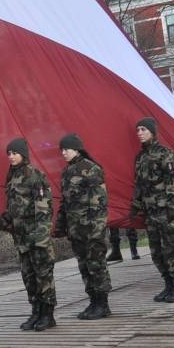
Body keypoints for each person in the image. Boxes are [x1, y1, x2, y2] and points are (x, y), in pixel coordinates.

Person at [0, 138, 57, 331]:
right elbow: (13, 210)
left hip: (37, 238)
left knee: (43, 276)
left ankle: (48, 315)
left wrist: (41, 239)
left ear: (23, 154)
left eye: (14, 153)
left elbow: (44, 209)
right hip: (22, 239)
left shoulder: (35, 176)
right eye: (9, 154)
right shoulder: (12, 177)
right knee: (28, 277)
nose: (11, 157)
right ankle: (36, 312)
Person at [53, 133, 112, 319]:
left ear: (76, 149)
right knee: (84, 266)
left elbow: (100, 201)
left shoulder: (91, 169)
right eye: (61, 150)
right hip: (76, 230)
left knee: (96, 266)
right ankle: (93, 301)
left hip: (92, 229)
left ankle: (103, 304)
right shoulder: (68, 171)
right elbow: (66, 202)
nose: (63, 153)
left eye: (66, 149)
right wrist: (61, 225)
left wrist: (96, 228)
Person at [128, 117, 174, 303]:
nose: (140, 133)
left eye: (143, 129)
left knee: (171, 250)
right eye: (138, 130)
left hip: (166, 211)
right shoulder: (140, 157)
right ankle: (168, 284)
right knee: (157, 252)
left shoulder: (165, 154)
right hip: (150, 213)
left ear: (152, 131)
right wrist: (136, 206)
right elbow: (139, 185)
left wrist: (172, 208)